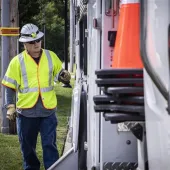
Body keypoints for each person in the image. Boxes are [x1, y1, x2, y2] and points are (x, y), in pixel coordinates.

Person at [1, 23, 71, 170]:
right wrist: (10, 107)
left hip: (48, 112)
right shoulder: (17, 61)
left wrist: (64, 76)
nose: (36, 44)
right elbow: (9, 86)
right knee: (28, 148)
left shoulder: (51, 56)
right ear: (25, 44)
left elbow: (59, 72)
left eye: (38, 40)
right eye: (32, 42)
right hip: (26, 113)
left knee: (49, 145)